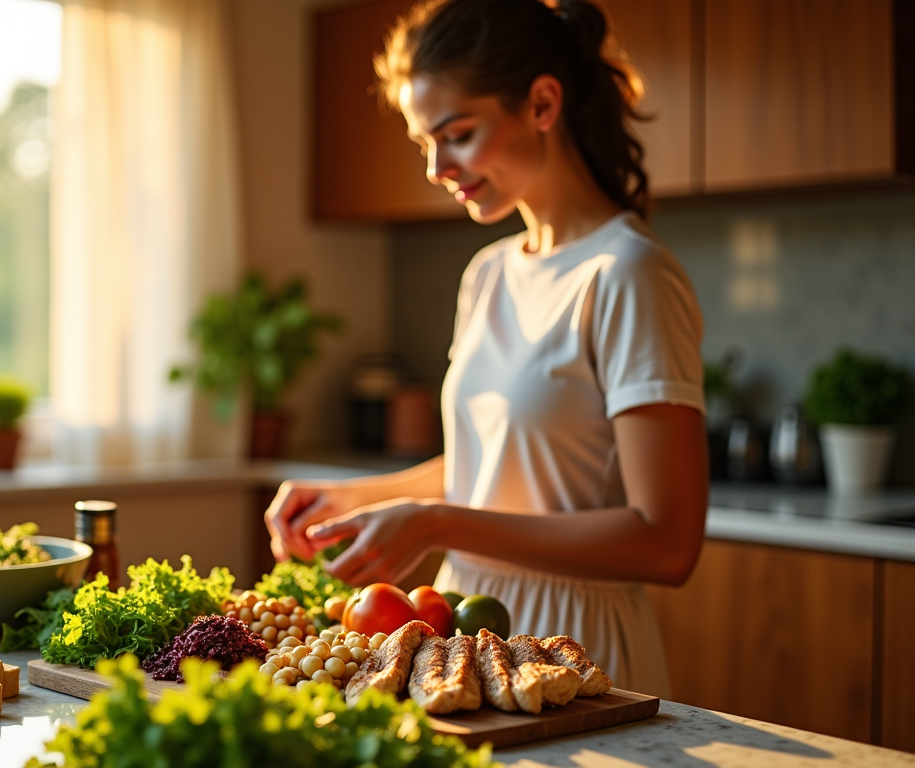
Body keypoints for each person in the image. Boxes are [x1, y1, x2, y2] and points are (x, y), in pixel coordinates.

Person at [264, 0, 708, 697]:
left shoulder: (628, 274)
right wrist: (348, 501)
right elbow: (491, 467)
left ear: (541, 103)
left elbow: (667, 541)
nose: (438, 166)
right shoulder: (489, 273)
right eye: (423, 144)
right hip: (458, 634)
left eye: (458, 134)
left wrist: (436, 524)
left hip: (577, 645)